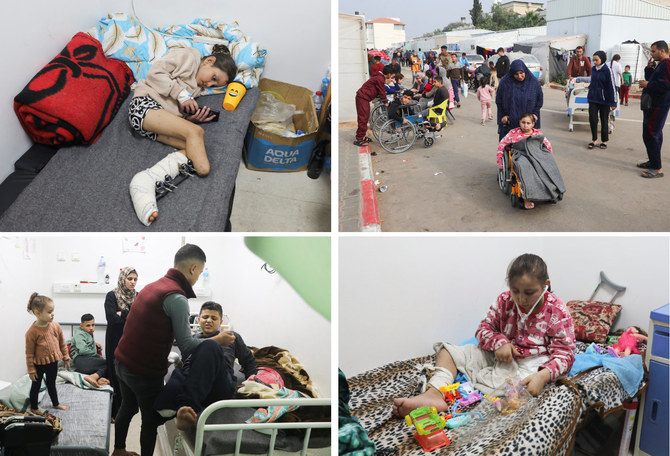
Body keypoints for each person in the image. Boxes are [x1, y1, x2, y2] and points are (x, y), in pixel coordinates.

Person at [392, 253, 575, 418]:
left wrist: (543, 376)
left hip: (532, 363)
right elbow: (483, 329)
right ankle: (434, 394)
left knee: (518, 390)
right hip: (499, 355)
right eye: (515, 291)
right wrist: (499, 342)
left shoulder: (557, 311)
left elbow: (565, 354)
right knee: (448, 352)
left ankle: (492, 389)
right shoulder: (504, 300)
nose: (521, 299)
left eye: (529, 293)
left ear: (546, 285)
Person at [112, 244, 236, 456]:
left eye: (213, 318)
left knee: (128, 407)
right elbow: (187, 346)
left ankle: (119, 450)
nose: (198, 278)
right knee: (150, 421)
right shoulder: (176, 298)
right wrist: (218, 340)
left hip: (122, 361)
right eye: (200, 272)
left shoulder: (153, 286)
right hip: (141, 372)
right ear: (193, 268)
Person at [128, 45, 237, 223]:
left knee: (192, 148)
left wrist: (190, 118)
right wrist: (181, 95)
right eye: (213, 78)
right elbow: (155, 73)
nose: (208, 84)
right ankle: (205, 172)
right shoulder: (188, 57)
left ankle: (146, 179)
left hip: (155, 120)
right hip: (144, 106)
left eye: (214, 85)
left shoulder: (197, 89)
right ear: (209, 61)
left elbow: (173, 113)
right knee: (197, 135)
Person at [154, 301, 258, 430]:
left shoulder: (232, 337)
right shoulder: (191, 341)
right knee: (180, 372)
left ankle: (188, 405)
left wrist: (251, 380)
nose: (209, 321)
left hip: (219, 385)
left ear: (220, 322)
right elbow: (187, 364)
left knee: (209, 346)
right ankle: (181, 409)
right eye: (205, 317)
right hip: (196, 380)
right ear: (198, 320)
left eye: (214, 318)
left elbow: (249, 361)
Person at [497, 113, 554, 209]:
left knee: (545, 168)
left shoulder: (538, 134)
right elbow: (502, 144)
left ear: (533, 124)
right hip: (520, 156)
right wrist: (500, 161)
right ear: (519, 122)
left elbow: (548, 146)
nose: (525, 125)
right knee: (525, 169)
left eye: (528, 123)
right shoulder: (513, 133)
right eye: (523, 122)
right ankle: (527, 199)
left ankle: (549, 192)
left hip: (535, 155)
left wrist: (549, 158)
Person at [25, 293, 70, 412]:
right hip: (38, 364)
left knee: (51, 384)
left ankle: (56, 404)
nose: (53, 314)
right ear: (37, 313)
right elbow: (29, 353)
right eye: (49, 312)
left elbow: (62, 343)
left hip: (52, 362)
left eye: (53, 311)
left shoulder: (55, 326)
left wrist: (66, 357)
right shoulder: (32, 332)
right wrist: (31, 370)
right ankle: (34, 407)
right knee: (36, 386)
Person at [105, 267, 138, 418]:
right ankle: (114, 412)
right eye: (129, 279)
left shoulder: (138, 296)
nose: (132, 282)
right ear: (122, 279)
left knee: (129, 374)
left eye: (135, 279)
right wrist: (129, 314)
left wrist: (122, 313)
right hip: (114, 340)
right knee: (114, 374)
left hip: (132, 340)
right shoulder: (112, 296)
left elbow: (139, 319)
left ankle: (127, 409)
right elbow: (112, 320)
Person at [638, 40, 670, 178]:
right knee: (649, 133)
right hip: (653, 105)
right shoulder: (661, 65)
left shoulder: (667, 64)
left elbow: (665, 85)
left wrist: (648, 84)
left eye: (653, 51)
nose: (651, 54)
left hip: (659, 105)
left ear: (662, 51)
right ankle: (652, 161)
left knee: (652, 134)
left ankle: (657, 168)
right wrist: (649, 69)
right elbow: (653, 80)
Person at [495, 59, 543, 140]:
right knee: (509, 148)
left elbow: (539, 100)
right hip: (509, 123)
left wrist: (535, 113)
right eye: (516, 74)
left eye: (521, 73)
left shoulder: (533, 82)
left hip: (527, 123)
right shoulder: (505, 83)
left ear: (525, 71)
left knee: (527, 148)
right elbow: (499, 101)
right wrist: (503, 115)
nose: (519, 76)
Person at [354, 65, 393, 146]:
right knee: (363, 118)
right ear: (389, 74)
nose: (391, 77)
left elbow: (379, 90)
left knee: (365, 117)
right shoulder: (380, 79)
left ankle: (362, 135)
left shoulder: (379, 77)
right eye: (391, 75)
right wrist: (385, 102)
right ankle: (359, 138)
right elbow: (382, 91)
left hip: (363, 98)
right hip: (362, 98)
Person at [586, 51, 617, 150]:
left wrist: (613, 102)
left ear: (602, 59)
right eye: (593, 60)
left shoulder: (608, 70)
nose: (594, 62)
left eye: (596, 60)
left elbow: (612, 86)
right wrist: (590, 87)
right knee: (593, 119)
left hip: (604, 100)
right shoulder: (593, 69)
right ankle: (594, 140)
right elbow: (594, 81)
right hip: (593, 99)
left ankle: (604, 141)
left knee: (604, 120)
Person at [71, 313, 110, 388]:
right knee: (109, 364)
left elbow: (85, 343)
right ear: (81, 326)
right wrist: (98, 355)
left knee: (111, 365)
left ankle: (97, 377)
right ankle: (94, 377)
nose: (91, 328)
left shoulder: (88, 333)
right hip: (81, 360)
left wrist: (95, 344)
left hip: (87, 361)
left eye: (93, 325)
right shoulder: (79, 335)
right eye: (88, 325)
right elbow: (83, 350)